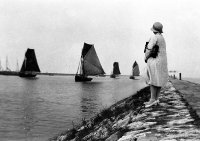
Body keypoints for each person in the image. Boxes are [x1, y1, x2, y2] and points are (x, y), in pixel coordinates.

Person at [144, 22, 168, 108]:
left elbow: (149, 49)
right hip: (162, 61)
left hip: (155, 60)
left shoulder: (154, 37)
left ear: (154, 30)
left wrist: (146, 58)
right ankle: (156, 99)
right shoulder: (162, 38)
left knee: (153, 79)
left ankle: (152, 100)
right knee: (159, 79)